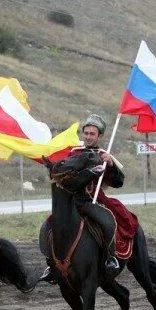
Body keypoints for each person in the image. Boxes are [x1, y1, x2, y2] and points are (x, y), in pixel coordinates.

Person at [40, 114, 137, 282]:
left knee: (107, 223)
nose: (88, 137)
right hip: (72, 201)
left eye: (92, 134)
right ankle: (52, 264)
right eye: (86, 133)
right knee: (48, 226)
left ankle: (110, 258)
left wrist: (112, 166)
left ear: (100, 136)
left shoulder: (104, 156)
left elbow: (118, 183)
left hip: (94, 201)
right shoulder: (74, 153)